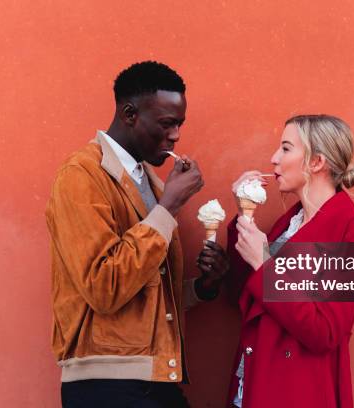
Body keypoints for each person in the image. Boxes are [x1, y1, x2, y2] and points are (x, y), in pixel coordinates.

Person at [45, 61, 229, 408]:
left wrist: (203, 288)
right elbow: (104, 286)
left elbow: (147, 291)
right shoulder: (81, 175)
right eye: (166, 123)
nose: (175, 135)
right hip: (104, 384)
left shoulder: (150, 182)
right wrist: (170, 207)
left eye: (179, 124)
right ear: (130, 114)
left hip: (156, 378)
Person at [226, 115, 354, 407]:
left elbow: (324, 333)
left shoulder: (352, 236)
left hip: (297, 391)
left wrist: (265, 265)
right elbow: (245, 294)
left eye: (286, 149)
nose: (274, 159)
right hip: (255, 380)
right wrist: (244, 217)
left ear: (316, 162)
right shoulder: (289, 222)